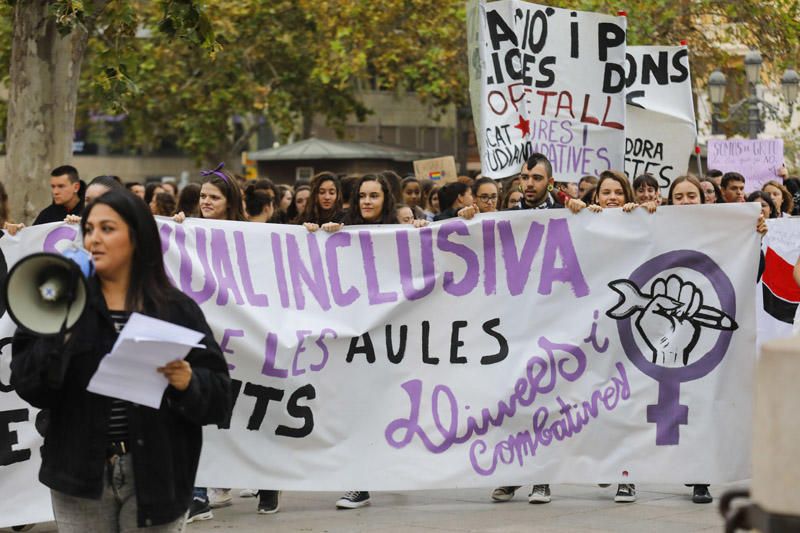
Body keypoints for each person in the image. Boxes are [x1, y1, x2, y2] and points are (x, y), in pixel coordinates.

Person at [11, 189, 231, 531]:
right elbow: (29, 385)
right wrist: (59, 336)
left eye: (107, 229)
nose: (94, 239)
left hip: (157, 471)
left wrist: (190, 382)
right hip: (80, 471)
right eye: (89, 229)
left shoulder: (174, 309)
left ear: (137, 237)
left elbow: (219, 396)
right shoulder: (59, 304)